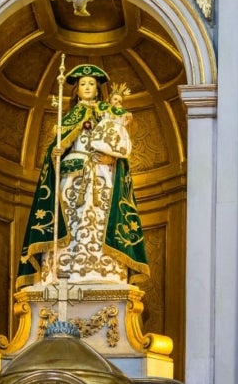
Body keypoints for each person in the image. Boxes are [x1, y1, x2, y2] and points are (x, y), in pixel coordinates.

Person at [17, 64, 149, 290]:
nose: (87, 87)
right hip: (73, 175)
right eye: (83, 84)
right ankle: (65, 268)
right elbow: (59, 148)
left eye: (91, 84)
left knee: (100, 217)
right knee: (71, 217)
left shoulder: (108, 112)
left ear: (98, 89)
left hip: (102, 175)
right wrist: (55, 154)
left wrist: (111, 158)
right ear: (76, 90)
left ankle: (105, 269)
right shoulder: (70, 116)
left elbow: (119, 140)